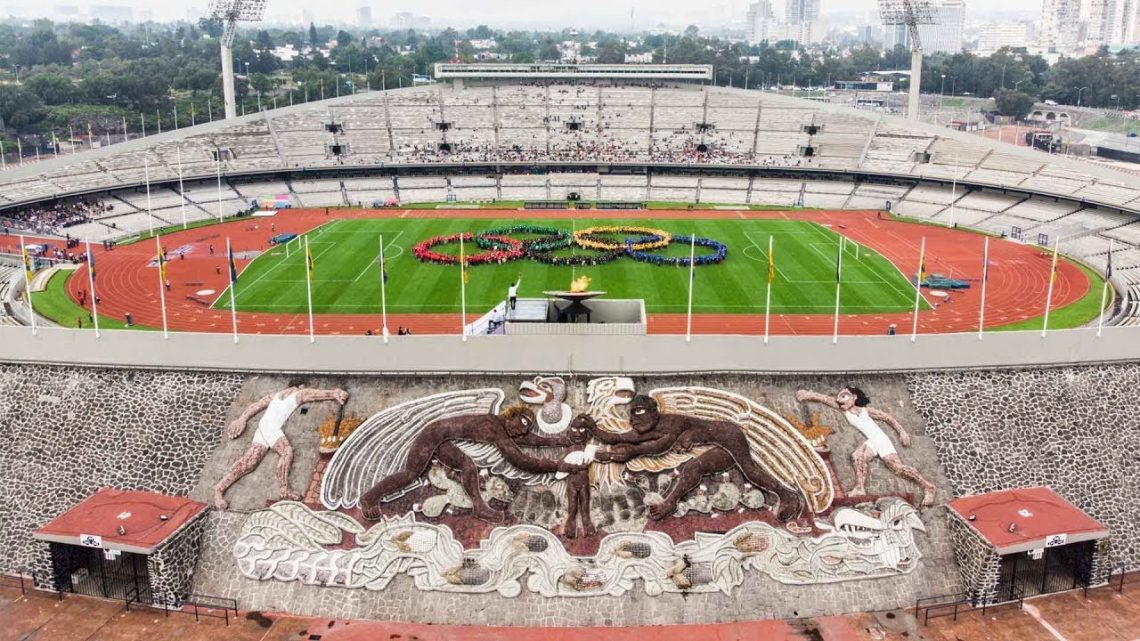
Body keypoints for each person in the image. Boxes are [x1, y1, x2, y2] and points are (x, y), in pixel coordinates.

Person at [213, 382, 349, 510]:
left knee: (249, 463)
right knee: (286, 452)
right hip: (271, 429)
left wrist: (242, 418)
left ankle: (219, 489)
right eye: (301, 388)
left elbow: (256, 406)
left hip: (263, 428)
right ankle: (284, 490)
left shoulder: (275, 396)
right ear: (299, 386)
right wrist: (334, 393)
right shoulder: (297, 394)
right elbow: (312, 394)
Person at [795, 386, 937, 507]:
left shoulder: (866, 411)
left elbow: (888, 418)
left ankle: (928, 486)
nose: (840, 399)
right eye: (839, 396)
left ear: (854, 397)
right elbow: (826, 399)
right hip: (871, 442)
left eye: (844, 395)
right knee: (858, 456)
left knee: (897, 468)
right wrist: (808, 395)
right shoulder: (844, 410)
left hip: (881, 440)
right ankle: (860, 488)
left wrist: (902, 433)